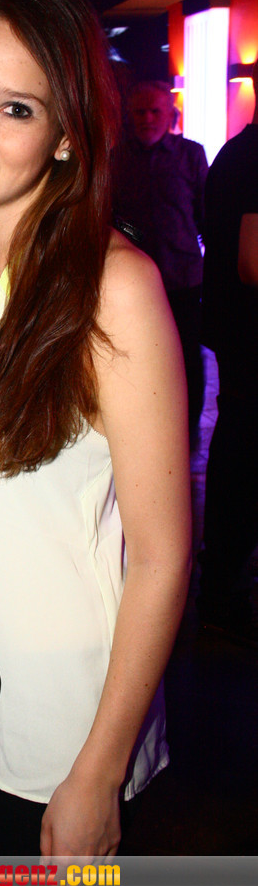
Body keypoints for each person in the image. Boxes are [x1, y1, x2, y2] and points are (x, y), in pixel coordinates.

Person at [0, 0, 191, 857]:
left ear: (69, 134)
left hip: (64, 734)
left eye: (14, 109)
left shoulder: (114, 288)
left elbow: (161, 555)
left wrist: (98, 772)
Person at [197, 58, 258, 645]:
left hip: (235, 329)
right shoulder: (250, 157)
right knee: (241, 458)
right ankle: (222, 593)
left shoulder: (233, 154)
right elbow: (251, 262)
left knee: (237, 452)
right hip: (248, 333)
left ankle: (222, 589)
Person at [112, 81, 208, 435]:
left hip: (182, 277)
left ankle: (188, 432)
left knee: (188, 358)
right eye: (140, 111)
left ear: (170, 115)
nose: (148, 118)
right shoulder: (116, 158)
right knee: (133, 358)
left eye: (155, 111)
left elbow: (205, 216)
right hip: (132, 283)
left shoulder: (191, 155)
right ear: (130, 115)